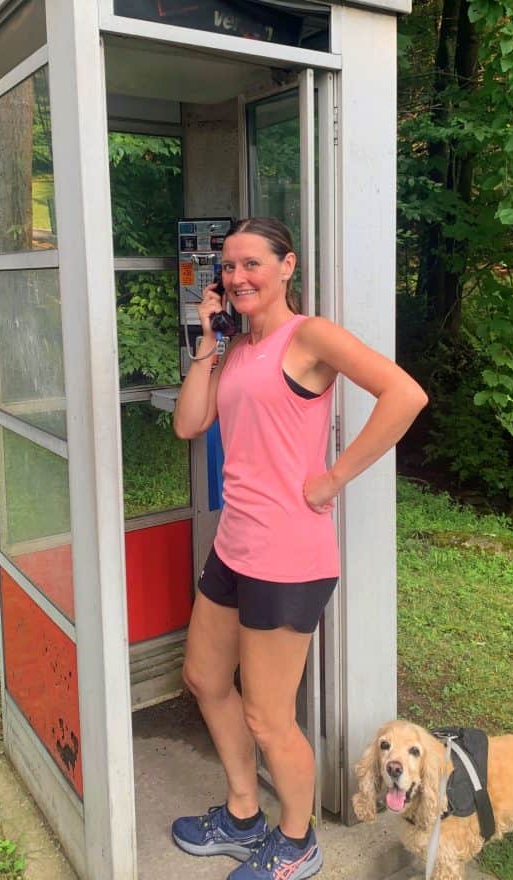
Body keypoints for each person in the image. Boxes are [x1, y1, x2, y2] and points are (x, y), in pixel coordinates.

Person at [171, 217, 428, 880]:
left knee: (267, 715)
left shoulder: (308, 336)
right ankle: (242, 811)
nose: (237, 277)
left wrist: (336, 475)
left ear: (288, 267)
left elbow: (405, 394)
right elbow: (189, 422)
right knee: (203, 677)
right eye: (228, 267)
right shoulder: (236, 348)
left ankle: (297, 840)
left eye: (252, 263)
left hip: (288, 557)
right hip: (235, 547)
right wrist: (207, 341)